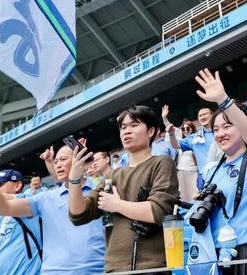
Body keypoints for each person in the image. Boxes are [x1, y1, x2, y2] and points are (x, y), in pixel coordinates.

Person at [68, 105, 179, 273]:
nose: (126, 131)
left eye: (134, 125)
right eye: (123, 127)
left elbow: (158, 211)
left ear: (151, 131)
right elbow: (79, 215)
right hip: (113, 268)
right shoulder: (114, 175)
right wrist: (74, 180)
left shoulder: (161, 162)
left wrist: (117, 205)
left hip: (151, 267)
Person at [0, 143, 105, 274]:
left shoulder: (100, 188)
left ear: (78, 160)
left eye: (63, 159)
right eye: (56, 161)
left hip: (99, 269)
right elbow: (2, 207)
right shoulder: (45, 198)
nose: (58, 164)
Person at [195, 69, 247, 273]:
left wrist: (223, 100)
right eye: (215, 129)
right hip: (217, 256)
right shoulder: (210, 172)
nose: (220, 134)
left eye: (227, 126)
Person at [169, 106, 216, 188]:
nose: (202, 117)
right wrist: (171, 134)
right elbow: (175, 145)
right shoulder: (194, 138)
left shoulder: (222, 132)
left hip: (225, 172)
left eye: (205, 114)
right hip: (206, 177)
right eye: (200, 116)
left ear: (213, 115)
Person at [174, 120, 199, 202]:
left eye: (187, 128)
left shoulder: (197, 140)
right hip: (181, 171)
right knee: (182, 196)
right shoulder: (182, 142)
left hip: (193, 172)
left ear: (192, 128)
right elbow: (172, 130)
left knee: (195, 195)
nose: (185, 130)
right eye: (183, 129)